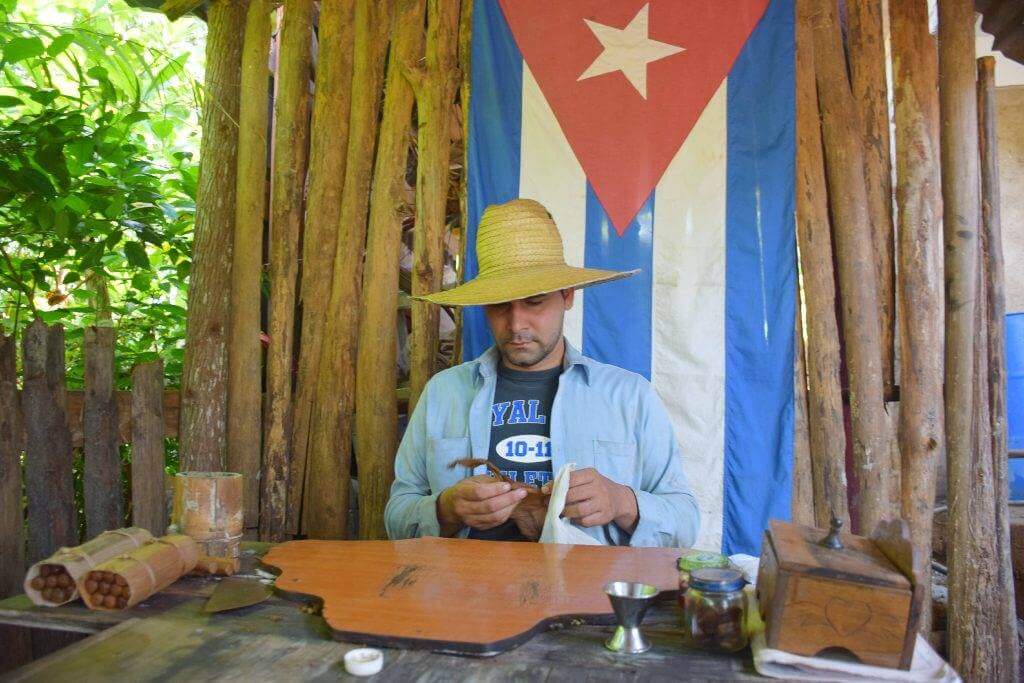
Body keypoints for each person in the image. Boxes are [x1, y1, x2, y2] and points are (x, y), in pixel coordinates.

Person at [384, 198, 699, 547]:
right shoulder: (444, 394)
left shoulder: (629, 396)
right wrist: (445, 509)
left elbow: (685, 523)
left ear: (567, 296)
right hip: (469, 595)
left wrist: (621, 501)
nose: (516, 324)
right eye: (500, 305)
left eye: (534, 301)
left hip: (588, 594)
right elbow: (396, 518)